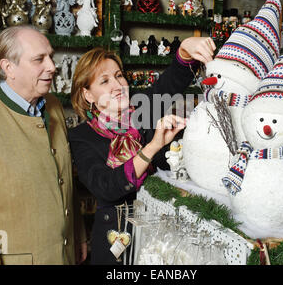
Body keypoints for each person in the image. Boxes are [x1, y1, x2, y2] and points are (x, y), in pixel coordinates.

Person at [0, 25, 87, 265]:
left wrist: (79, 235)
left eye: (50, 56)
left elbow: (64, 179)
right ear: (8, 67)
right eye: (39, 59)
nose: (52, 66)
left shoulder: (53, 106)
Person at [69, 37, 215, 264]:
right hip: (116, 241)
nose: (117, 85)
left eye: (118, 76)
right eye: (105, 81)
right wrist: (153, 145)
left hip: (160, 239)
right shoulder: (82, 137)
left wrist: (185, 50)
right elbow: (106, 186)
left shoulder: (142, 109)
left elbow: (171, 81)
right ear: (88, 95)